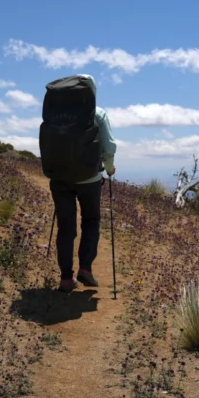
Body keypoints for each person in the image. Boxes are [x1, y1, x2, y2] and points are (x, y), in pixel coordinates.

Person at [46, 74, 117, 293]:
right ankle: (85, 268)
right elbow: (109, 146)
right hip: (89, 178)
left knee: (66, 227)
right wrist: (110, 166)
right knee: (91, 220)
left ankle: (66, 278)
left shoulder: (55, 112)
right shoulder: (97, 113)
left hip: (59, 177)